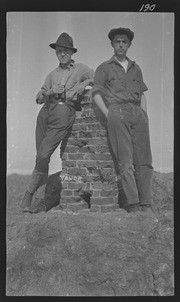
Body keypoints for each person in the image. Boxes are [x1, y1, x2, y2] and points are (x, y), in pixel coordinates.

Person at [20, 32, 94, 213]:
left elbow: (98, 77)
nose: (62, 54)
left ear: (71, 52)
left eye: (66, 51)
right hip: (45, 112)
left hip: (64, 111)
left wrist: (82, 85)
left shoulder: (81, 69)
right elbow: (38, 97)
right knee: (40, 156)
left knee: (44, 155)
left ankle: (29, 194)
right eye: (59, 51)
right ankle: (41, 200)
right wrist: (49, 92)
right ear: (56, 53)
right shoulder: (52, 74)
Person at [91, 27, 154, 213]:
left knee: (145, 160)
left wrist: (145, 115)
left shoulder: (136, 67)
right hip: (117, 112)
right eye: (117, 41)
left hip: (138, 113)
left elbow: (142, 93)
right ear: (112, 44)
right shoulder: (104, 68)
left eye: (124, 42)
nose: (120, 44)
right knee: (125, 160)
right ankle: (134, 204)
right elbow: (96, 94)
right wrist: (109, 113)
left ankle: (146, 203)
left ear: (129, 45)